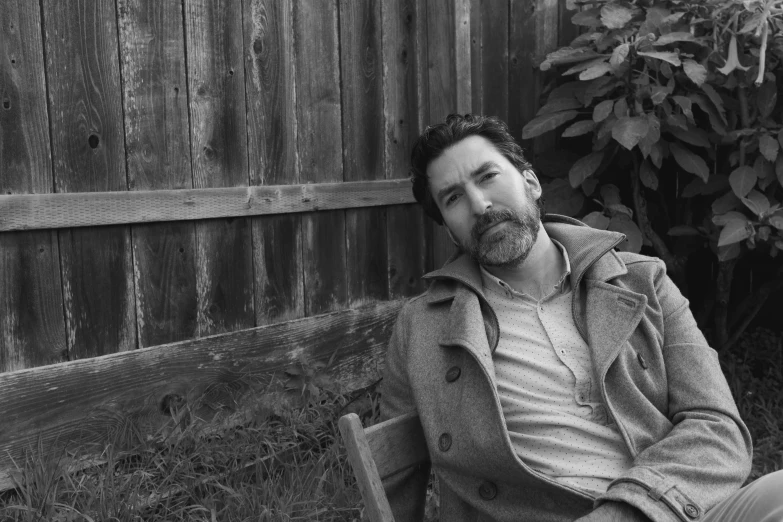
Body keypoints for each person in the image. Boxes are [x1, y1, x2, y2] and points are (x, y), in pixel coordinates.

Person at [380, 113, 783, 522]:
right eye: (453, 198)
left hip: (665, 509)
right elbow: (392, 481)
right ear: (449, 229)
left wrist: (628, 511)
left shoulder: (643, 280)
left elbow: (717, 428)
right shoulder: (423, 328)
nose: (480, 205)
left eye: (487, 177)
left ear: (531, 183)